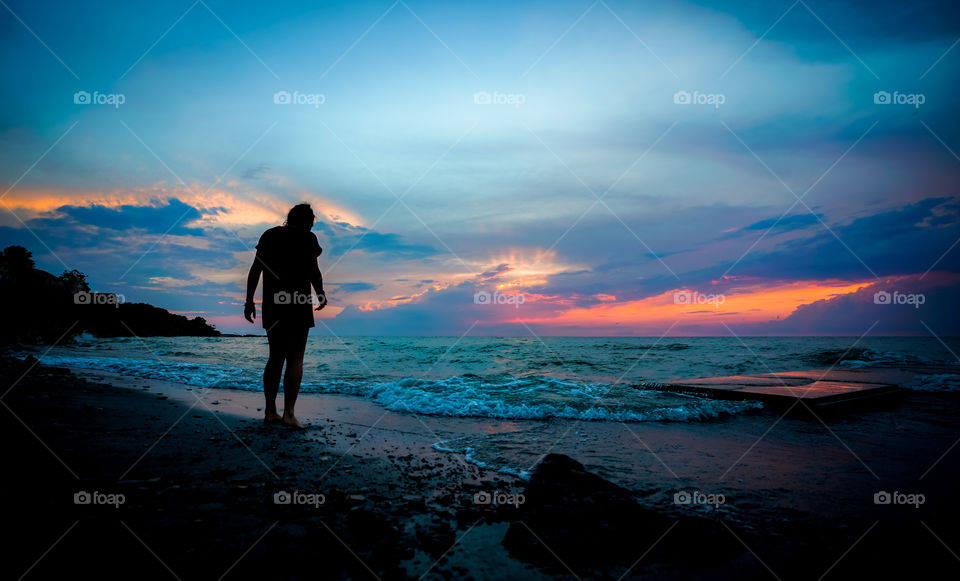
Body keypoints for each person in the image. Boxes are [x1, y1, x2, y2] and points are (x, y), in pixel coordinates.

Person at [244, 203, 326, 429]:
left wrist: (249, 300)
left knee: (275, 357)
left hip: (273, 303)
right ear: (308, 222)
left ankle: (271, 412)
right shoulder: (308, 238)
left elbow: (255, 270)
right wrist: (321, 295)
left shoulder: (270, 235)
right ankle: (289, 413)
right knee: (296, 358)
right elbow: (314, 272)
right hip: (299, 302)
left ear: (289, 218)